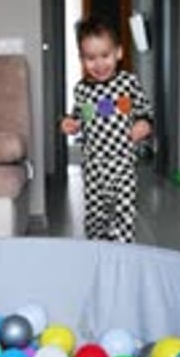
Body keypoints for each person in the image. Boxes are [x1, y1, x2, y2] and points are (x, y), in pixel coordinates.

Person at [60, 14, 153, 242]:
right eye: (90, 58)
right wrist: (70, 123)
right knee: (96, 216)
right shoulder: (82, 90)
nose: (99, 64)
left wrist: (144, 123)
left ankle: (121, 249)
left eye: (105, 55)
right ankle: (98, 247)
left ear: (118, 53)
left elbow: (144, 111)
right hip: (94, 165)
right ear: (81, 59)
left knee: (124, 210)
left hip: (123, 162)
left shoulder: (128, 83)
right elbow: (80, 117)